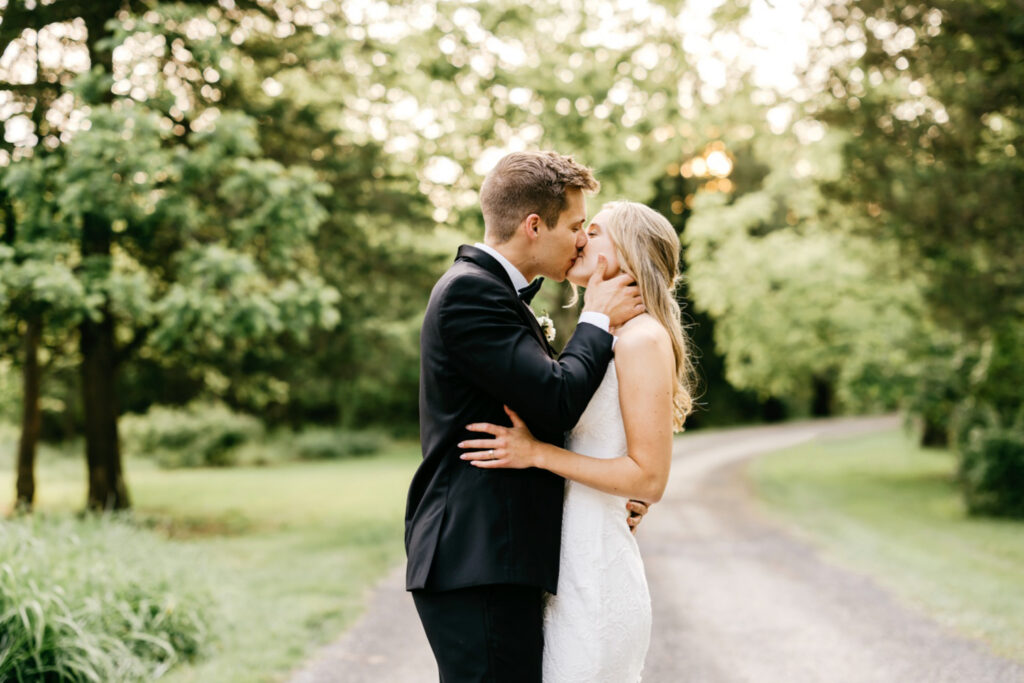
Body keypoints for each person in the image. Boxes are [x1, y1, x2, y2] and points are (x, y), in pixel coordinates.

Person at [405, 151, 648, 682]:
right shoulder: (470, 292)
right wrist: (598, 317)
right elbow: (556, 399)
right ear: (534, 226)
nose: (582, 240)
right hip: (476, 557)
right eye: (577, 226)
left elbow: (546, 417)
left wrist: (605, 491)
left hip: (495, 557)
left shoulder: (488, 291)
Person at [459, 201, 696, 682]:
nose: (581, 240)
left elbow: (648, 478)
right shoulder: (609, 337)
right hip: (567, 561)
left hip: (597, 572)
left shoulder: (640, 340)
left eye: (594, 230)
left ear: (629, 253)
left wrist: (537, 454)